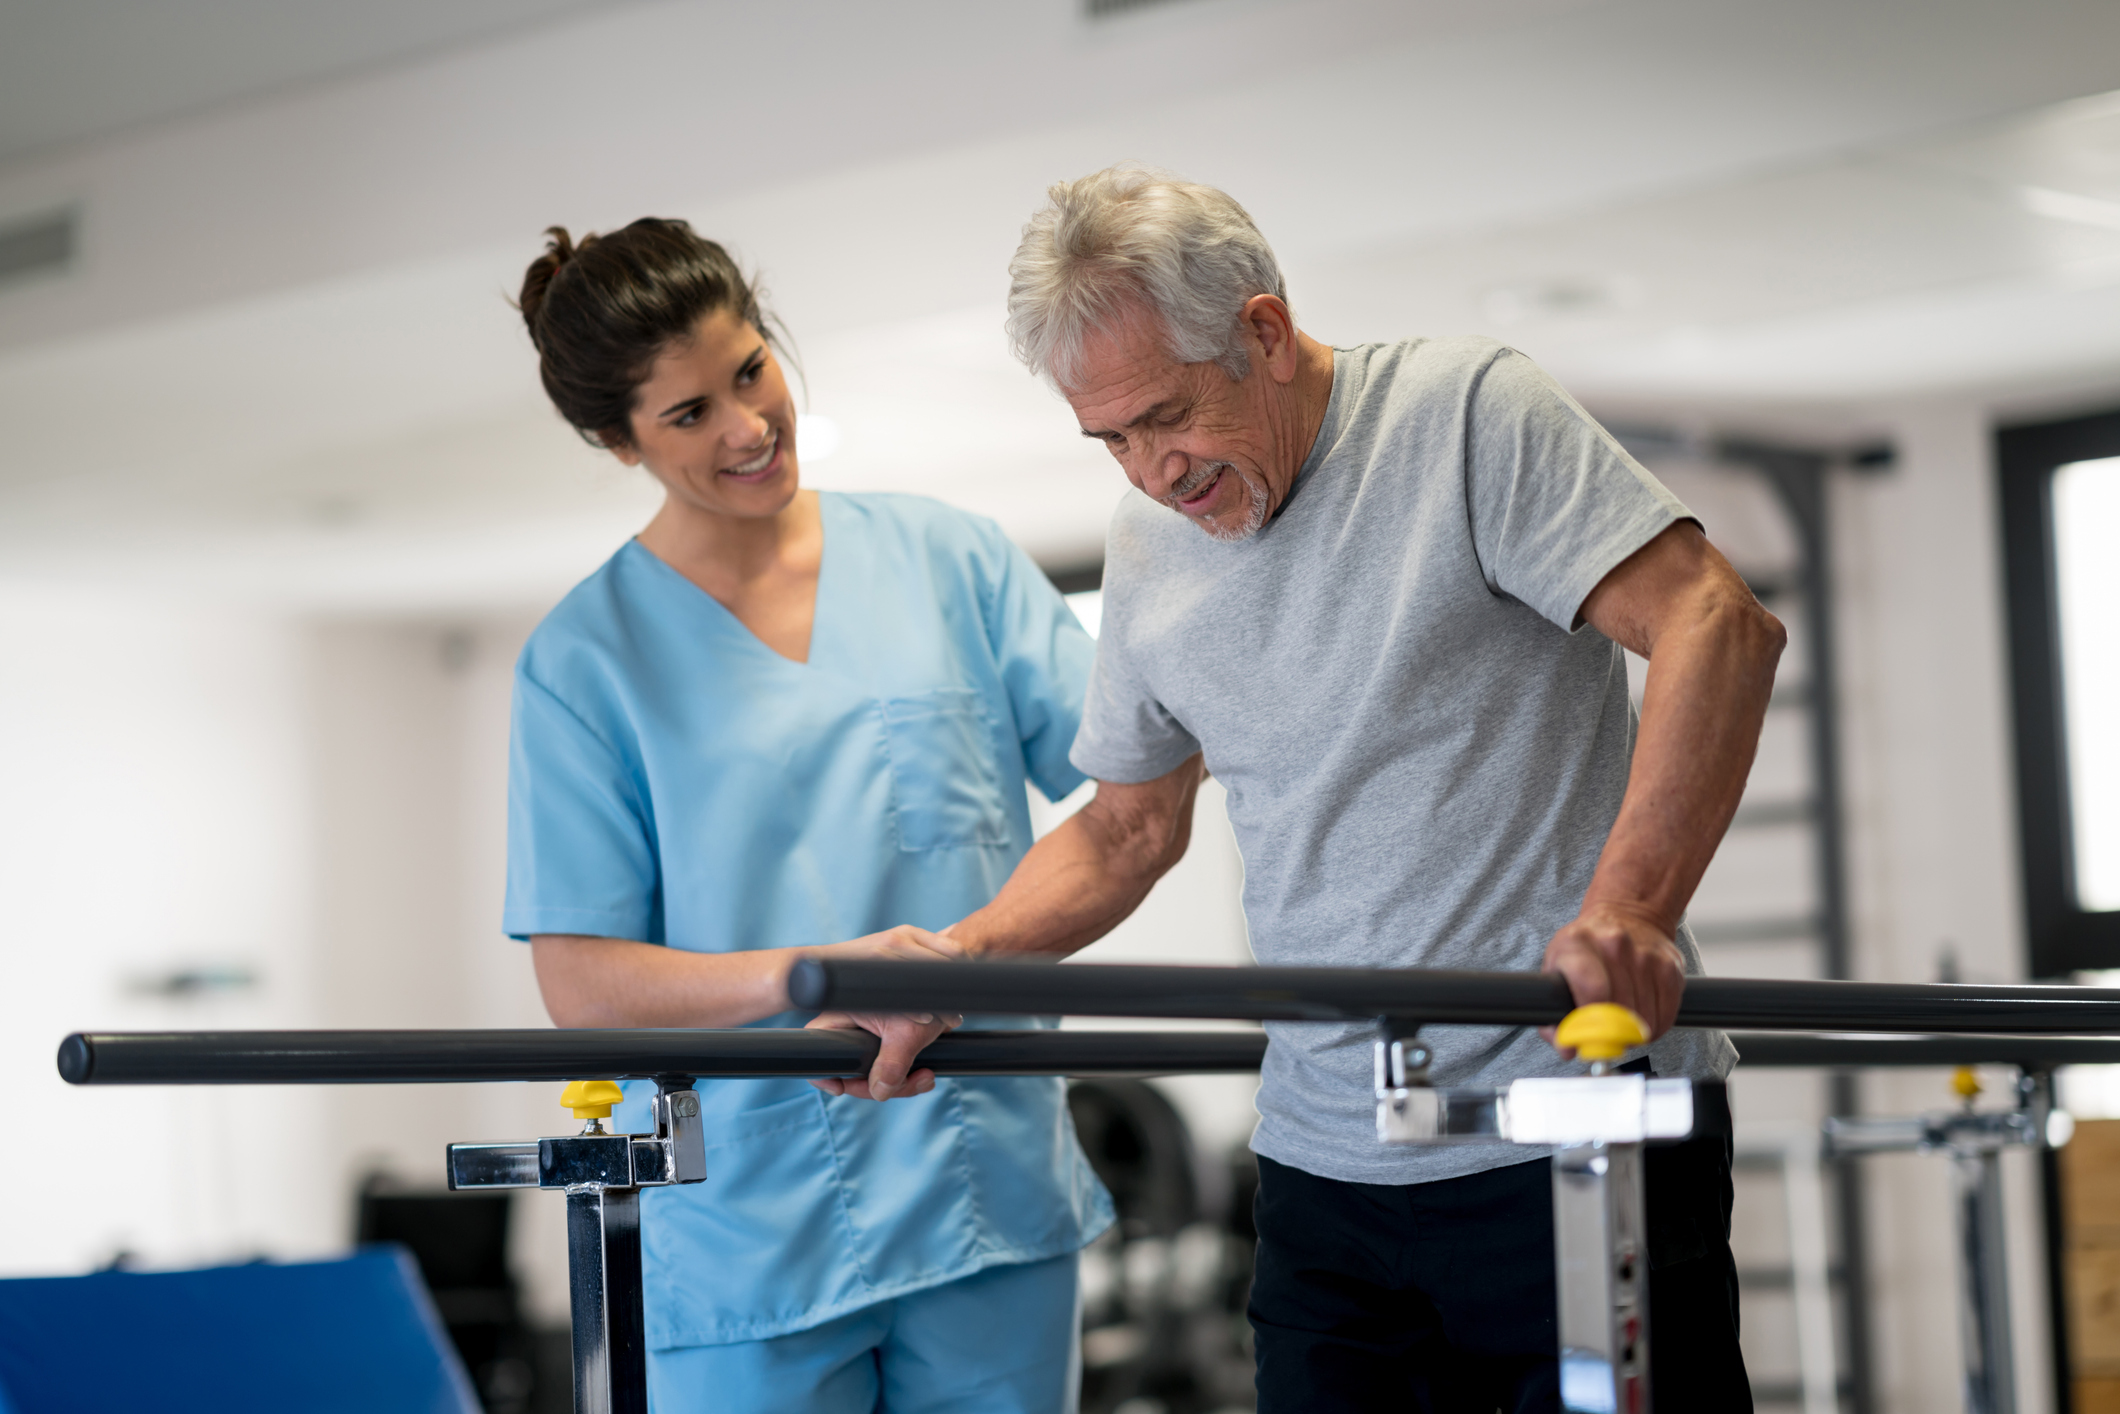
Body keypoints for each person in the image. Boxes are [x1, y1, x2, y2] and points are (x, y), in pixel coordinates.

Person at [827, 166, 1781, 1410]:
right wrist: (954, 964)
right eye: (1109, 438)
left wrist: (1631, 912)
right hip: (1328, 1175)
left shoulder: (1459, 413)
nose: (1150, 470)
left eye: (1166, 415)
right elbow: (1125, 826)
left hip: (1570, 1126)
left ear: (1263, 334)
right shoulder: (1149, 544)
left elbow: (1714, 622)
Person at [502, 217, 1112, 1414]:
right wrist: (823, 978)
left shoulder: (952, 560)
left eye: (749, 370)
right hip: (746, 1229)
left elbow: (1134, 792)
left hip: (982, 1177)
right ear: (614, 439)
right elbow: (583, 983)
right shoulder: (583, 661)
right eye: (687, 414)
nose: (746, 426)